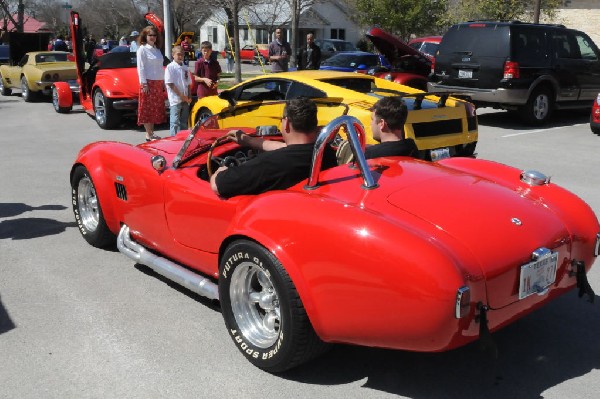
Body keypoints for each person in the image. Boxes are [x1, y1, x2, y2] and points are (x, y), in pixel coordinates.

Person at [210, 97, 338, 198]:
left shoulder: (270, 164)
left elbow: (217, 186)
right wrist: (249, 141)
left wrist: (220, 170)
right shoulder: (325, 153)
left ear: (286, 123)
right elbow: (290, 149)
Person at [336, 96, 416, 163]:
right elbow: (389, 146)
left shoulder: (369, 155)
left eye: (372, 119)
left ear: (382, 123)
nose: (371, 123)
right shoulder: (411, 147)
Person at [136, 26, 165, 141]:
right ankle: (148, 133)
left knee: (154, 109)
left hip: (158, 82)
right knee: (147, 109)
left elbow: (160, 67)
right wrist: (144, 83)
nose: (152, 37)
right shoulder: (142, 49)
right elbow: (141, 68)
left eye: (154, 35)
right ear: (145, 36)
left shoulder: (157, 50)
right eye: (150, 35)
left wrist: (162, 81)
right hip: (148, 82)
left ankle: (152, 133)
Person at [164, 46, 192, 136]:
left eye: (182, 54)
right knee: (175, 121)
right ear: (173, 55)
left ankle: (182, 138)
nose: (180, 57)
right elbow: (170, 84)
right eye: (178, 54)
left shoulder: (185, 68)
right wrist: (181, 96)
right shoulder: (170, 67)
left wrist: (189, 96)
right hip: (175, 99)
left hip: (185, 99)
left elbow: (188, 84)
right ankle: (173, 139)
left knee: (184, 120)